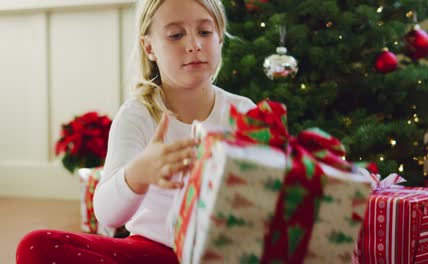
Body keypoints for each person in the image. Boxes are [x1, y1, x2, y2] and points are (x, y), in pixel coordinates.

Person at [16, 0, 254, 263]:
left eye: (205, 32)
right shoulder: (138, 115)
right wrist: (138, 174)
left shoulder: (244, 113)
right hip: (155, 251)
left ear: (219, 37)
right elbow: (107, 215)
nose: (193, 44)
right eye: (176, 35)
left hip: (228, 254)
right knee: (36, 245)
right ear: (149, 47)